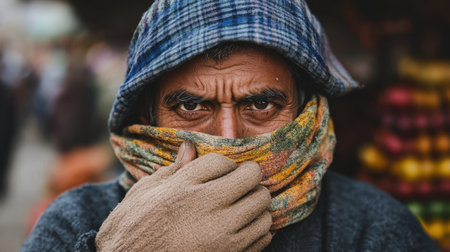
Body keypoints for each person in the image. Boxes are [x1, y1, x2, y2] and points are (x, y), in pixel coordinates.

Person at [22, 0, 439, 251]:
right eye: (190, 105)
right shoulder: (76, 222)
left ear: (308, 115)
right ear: (146, 119)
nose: (226, 137)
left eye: (260, 103)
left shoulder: (371, 229)